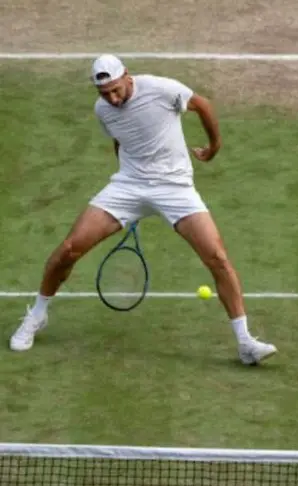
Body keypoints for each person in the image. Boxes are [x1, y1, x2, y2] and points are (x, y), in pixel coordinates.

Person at [9, 54, 277, 366]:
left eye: (115, 89)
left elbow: (203, 105)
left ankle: (245, 342)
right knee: (69, 249)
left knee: (217, 257)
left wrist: (214, 146)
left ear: (127, 76)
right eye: (104, 93)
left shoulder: (162, 89)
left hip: (175, 188)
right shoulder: (103, 110)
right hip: (128, 187)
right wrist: (131, 193)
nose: (111, 97)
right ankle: (37, 316)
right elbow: (121, 141)